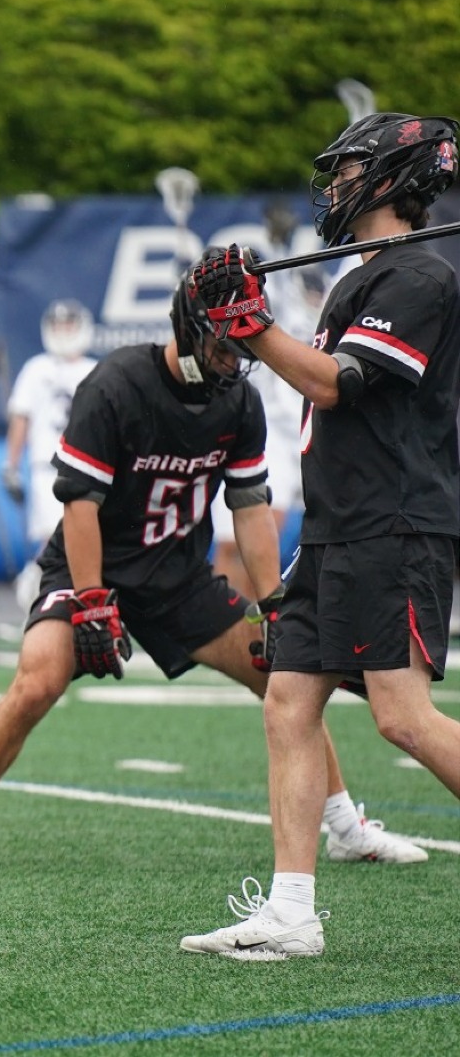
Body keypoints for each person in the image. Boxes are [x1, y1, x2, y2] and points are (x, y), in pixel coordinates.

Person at [0, 281, 423, 872]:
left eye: (242, 349)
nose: (234, 362)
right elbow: (79, 505)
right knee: (39, 678)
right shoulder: (115, 386)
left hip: (178, 574)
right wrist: (90, 601)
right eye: (224, 347)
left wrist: (272, 604)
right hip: (92, 563)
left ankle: (344, 826)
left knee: (282, 678)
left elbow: (251, 507)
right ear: (188, 331)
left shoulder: (239, 403)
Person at [182, 112, 460, 958]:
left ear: (391, 179)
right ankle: (292, 913)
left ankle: (293, 910)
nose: (333, 186)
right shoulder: (358, 282)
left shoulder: (421, 279)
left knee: (404, 719)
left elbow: (336, 385)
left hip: (395, 523)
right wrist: (251, 324)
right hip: (340, 527)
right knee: (288, 702)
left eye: (347, 172)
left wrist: (250, 325)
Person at [209, 202, 320, 595]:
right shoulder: (283, 308)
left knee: (272, 543)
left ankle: (264, 627)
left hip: (310, 432)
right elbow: (278, 289)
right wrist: (279, 247)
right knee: (242, 542)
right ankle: (236, 631)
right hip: (273, 429)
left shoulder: (331, 310)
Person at [4, 300, 98, 608]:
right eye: (58, 326)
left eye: (69, 325)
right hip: (47, 466)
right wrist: (11, 465)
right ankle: (42, 592)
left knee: (82, 538)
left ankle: (59, 592)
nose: (63, 332)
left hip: (86, 469)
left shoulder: (94, 369)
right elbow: (21, 417)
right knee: (53, 536)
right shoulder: (37, 368)